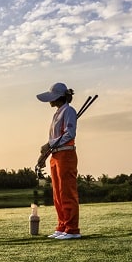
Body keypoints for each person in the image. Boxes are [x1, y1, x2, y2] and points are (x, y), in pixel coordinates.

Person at [36, 82, 81, 240]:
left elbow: (70, 134)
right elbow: (55, 139)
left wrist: (49, 144)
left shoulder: (69, 111)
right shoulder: (58, 113)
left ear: (58, 97)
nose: (49, 100)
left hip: (66, 156)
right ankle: (62, 225)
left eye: (51, 97)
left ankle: (72, 229)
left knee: (67, 192)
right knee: (57, 194)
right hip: (56, 156)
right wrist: (45, 154)